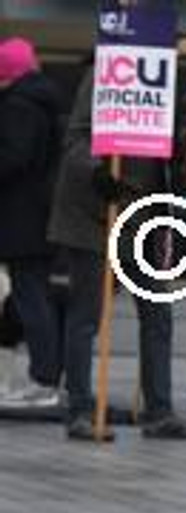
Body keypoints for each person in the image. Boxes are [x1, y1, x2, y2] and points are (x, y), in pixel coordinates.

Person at [47, 59, 186, 441]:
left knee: (157, 315)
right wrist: (97, 173)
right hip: (98, 214)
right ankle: (81, 409)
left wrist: (178, 156)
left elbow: (164, 151)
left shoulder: (160, 84)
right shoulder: (106, 73)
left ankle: (159, 409)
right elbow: (76, 139)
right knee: (88, 314)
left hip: (144, 216)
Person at [0, 37, 63, 409]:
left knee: (30, 297)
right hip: (34, 214)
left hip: (22, 218)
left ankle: (45, 379)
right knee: (30, 295)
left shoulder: (19, 106)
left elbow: (13, 158)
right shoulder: (39, 102)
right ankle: (46, 376)